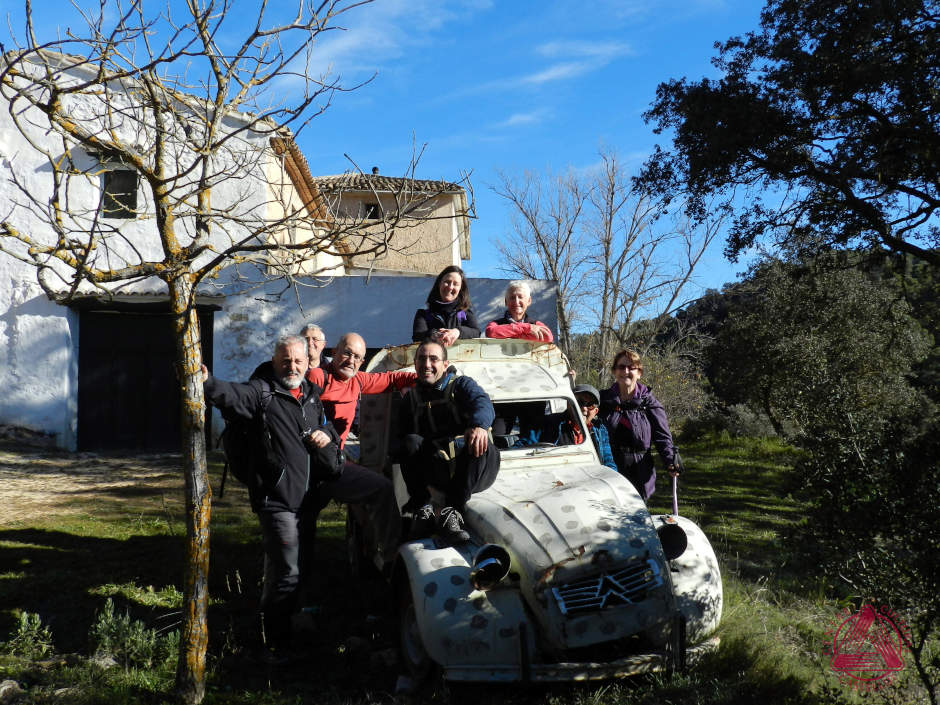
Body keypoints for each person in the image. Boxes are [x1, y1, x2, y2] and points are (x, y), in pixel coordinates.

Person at [202, 335, 350, 660]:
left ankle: (287, 623)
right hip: (277, 500)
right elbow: (232, 394)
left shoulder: (311, 394)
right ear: (274, 361)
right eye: (285, 360)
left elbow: (327, 426)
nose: (292, 366)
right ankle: (275, 643)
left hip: (307, 500)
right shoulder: (262, 392)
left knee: (299, 566)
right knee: (287, 572)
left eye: (298, 361)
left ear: (307, 362)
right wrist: (207, 382)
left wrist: (327, 434)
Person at [398, 340, 500, 544]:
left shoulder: (461, 385)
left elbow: (483, 402)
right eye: (422, 359)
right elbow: (404, 441)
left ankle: (454, 512)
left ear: (445, 364)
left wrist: (479, 425)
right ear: (415, 363)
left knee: (477, 440)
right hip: (439, 471)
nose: (427, 364)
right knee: (409, 442)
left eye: (433, 359)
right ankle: (422, 509)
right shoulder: (410, 399)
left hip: (475, 469)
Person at [599, 349, 678, 501]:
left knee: (638, 511)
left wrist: (670, 460)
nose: (626, 371)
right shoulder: (602, 400)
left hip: (641, 469)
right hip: (611, 466)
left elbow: (662, 437)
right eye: (621, 367)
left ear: (639, 373)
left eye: (631, 367)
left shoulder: (649, 403)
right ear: (614, 371)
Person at [412, 265, 481, 346]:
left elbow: (476, 332)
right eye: (447, 282)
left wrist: (458, 331)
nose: (450, 287)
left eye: (455, 284)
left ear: (461, 289)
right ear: (439, 283)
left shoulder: (464, 313)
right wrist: (437, 334)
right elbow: (418, 336)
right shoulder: (423, 314)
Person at [557, 384, 617, 471]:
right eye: (579, 402)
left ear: (595, 411)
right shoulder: (553, 424)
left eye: (590, 405)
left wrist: (612, 476)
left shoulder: (600, 430)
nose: (584, 408)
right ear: (568, 404)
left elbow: (608, 461)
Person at [484, 280, 554, 342]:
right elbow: (491, 332)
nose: (516, 302)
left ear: (529, 301)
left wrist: (507, 333)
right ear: (506, 302)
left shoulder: (536, 324)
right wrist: (526, 328)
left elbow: (548, 337)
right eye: (512, 297)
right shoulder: (496, 324)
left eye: (520, 297)